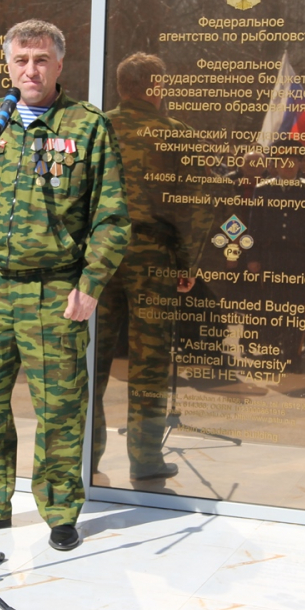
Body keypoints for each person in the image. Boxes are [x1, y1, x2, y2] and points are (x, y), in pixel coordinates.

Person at [0, 19, 130, 552]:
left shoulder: (86, 126)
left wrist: (90, 284)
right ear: (7, 64)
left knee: (61, 409)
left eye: (41, 60)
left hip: (55, 292)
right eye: (21, 60)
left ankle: (61, 510)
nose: (31, 70)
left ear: (59, 65)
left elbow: (111, 217)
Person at [94, 52, 203, 484]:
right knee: (150, 361)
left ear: (122, 87)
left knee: (91, 360)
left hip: (99, 258)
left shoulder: (95, 128)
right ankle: (144, 459)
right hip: (153, 259)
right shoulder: (175, 135)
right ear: (155, 87)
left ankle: (86, 456)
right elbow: (195, 205)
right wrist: (188, 262)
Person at [246, 148, 305, 372]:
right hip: (271, 256)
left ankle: (292, 355)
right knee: (271, 306)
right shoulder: (263, 189)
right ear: (276, 165)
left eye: (292, 162)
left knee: (297, 309)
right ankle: (271, 352)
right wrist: (253, 256)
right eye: (283, 162)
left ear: (299, 164)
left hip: (299, 257)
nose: (288, 166)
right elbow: (255, 226)